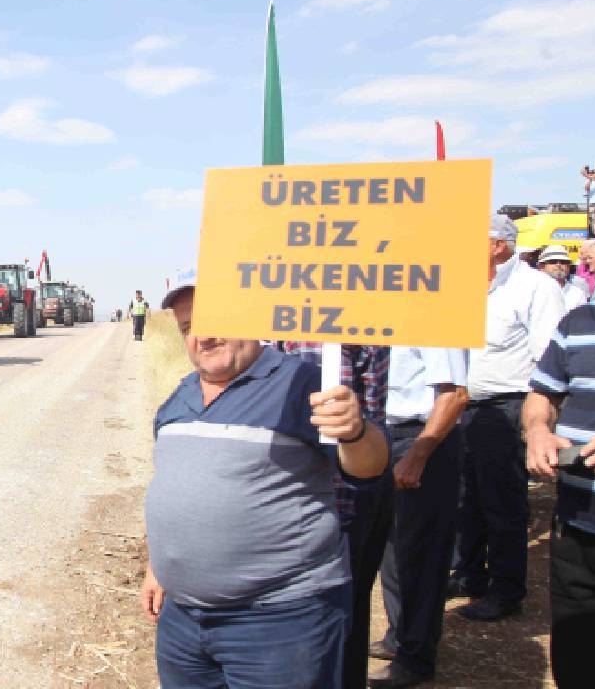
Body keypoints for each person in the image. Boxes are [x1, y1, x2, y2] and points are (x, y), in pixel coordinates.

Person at [142, 268, 389, 689]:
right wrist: (158, 564)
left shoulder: (300, 382)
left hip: (279, 620)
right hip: (183, 623)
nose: (203, 338)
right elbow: (176, 490)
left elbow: (369, 469)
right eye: (188, 328)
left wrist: (356, 431)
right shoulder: (179, 397)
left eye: (215, 322)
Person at [450, 214, 565, 621]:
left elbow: (548, 359)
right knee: (467, 498)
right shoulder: (466, 284)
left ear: (498, 245)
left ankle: (506, 589)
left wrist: (538, 421)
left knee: (502, 502)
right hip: (465, 406)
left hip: (508, 406)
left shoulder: (537, 288)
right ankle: (469, 573)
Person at [275, 341, 389, 689]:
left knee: (339, 627)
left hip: (338, 506)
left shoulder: (356, 329)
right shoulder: (248, 324)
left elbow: (371, 418)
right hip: (268, 511)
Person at [524, 287, 595, 688]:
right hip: (578, 528)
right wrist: (537, 430)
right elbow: (542, 394)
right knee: (580, 666)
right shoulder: (579, 323)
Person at [367, 346, 468, 687]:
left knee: (421, 554)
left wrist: (418, 454)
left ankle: (417, 658)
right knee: (391, 550)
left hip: (422, 437)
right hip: (382, 433)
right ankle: (401, 636)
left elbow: (454, 395)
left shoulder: (435, 318)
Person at [537, 244, 589, 311]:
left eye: (563, 262)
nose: (558, 265)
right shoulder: (534, 291)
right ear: (542, 267)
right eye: (553, 262)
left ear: (568, 266)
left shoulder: (577, 293)